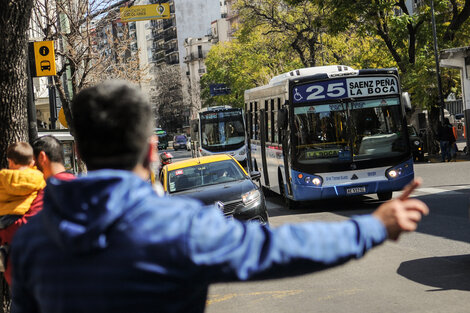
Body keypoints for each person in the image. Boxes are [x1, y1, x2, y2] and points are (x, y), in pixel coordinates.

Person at [10, 81, 428, 313]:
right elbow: (281, 248)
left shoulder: (31, 236)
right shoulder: (176, 227)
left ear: (79, 152)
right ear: (153, 151)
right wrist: (374, 226)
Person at [0, 142, 46, 284]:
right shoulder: (38, 179)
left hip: (4, 220)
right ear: (32, 160)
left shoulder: (3, 178)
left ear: (11, 162)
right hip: (28, 230)